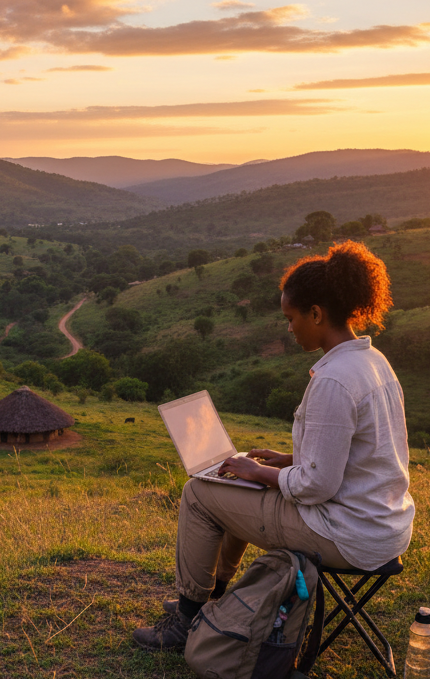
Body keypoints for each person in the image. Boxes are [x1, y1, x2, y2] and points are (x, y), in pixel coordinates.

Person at [134, 240, 415, 651]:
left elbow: (316, 487)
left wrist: (262, 473)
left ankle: (186, 619)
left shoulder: (334, 380)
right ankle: (214, 596)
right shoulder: (372, 362)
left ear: (316, 314)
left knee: (198, 493)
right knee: (233, 487)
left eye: (291, 318)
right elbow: (358, 454)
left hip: (345, 534)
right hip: (381, 527)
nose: (288, 328)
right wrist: (286, 460)